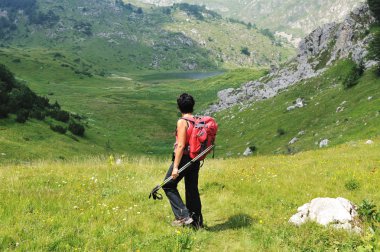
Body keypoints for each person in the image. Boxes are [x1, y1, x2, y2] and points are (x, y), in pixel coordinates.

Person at [163, 93, 203, 228]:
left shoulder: (182, 122)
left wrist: (175, 167)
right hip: (195, 159)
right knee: (192, 190)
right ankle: (197, 223)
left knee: (168, 185)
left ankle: (183, 216)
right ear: (192, 106)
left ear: (179, 107)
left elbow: (180, 145)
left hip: (184, 158)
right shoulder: (197, 120)